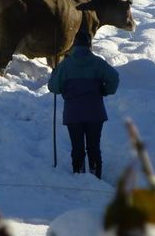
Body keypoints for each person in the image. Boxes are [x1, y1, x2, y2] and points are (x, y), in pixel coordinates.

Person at [47, 29, 119, 178]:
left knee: (77, 147)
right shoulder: (98, 63)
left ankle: (79, 174)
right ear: (89, 45)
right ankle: (95, 174)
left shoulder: (66, 65)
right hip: (95, 113)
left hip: (73, 114)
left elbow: (53, 87)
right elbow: (114, 78)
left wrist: (56, 75)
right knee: (94, 146)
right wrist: (105, 90)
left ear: (74, 45)